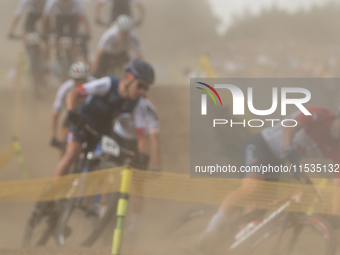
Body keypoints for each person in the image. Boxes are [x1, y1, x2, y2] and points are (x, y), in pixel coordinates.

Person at [199, 106, 340, 248]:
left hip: (277, 160)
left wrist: (336, 215)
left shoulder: (338, 148)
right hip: (261, 145)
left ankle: (232, 244)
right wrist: (288, 147)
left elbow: (337, 185)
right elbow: (289, 128)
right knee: (253, 187)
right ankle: (210, 231)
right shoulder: (320, 114)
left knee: (257, 212)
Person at [53, 59, 154, 178]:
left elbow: (142, 134)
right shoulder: (109, 84)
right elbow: (74, 93)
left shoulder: (138, 103)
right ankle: (52, 193)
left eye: (146, 88)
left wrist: (142, 155)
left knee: (100, 166)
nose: (142, 91)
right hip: (83, 121)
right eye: (140, 85)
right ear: (128, 78)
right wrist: (70, 111)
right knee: (72, 153)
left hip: (104, 131)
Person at [50, 62, 95, 153]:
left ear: (87, 78)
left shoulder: (94, 83)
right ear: (72, 78)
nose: (80, 83)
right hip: (72, 115)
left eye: (83, 79)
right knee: (63, 143)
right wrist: (53, 136)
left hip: (90, 114)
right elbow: (55, 113)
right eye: (77, 80)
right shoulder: (65, 88)